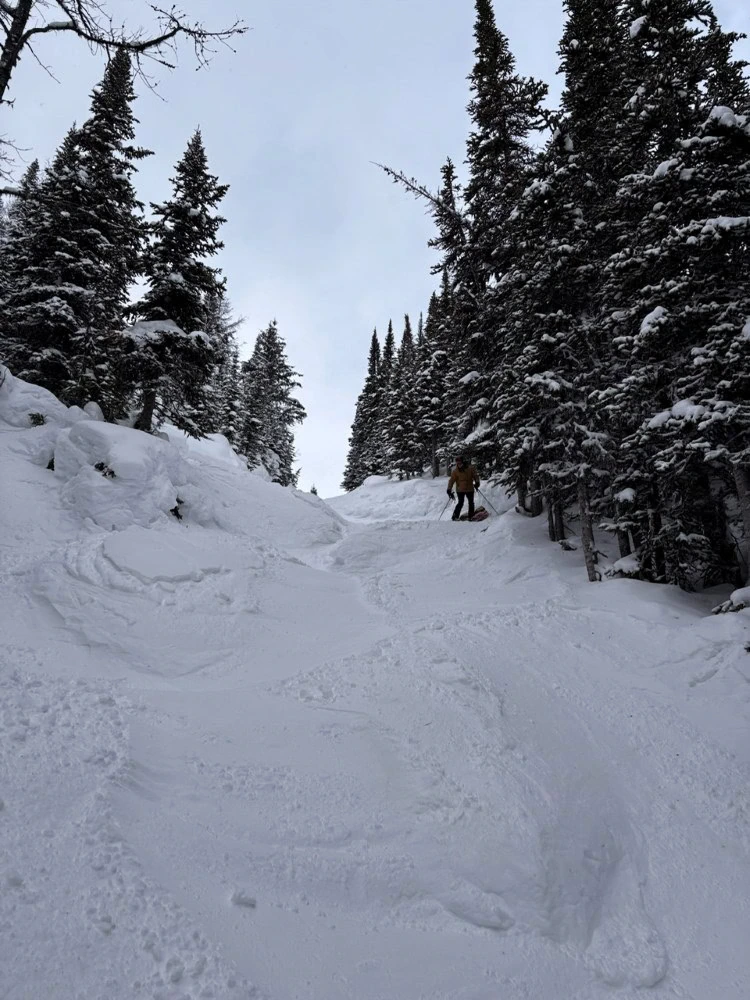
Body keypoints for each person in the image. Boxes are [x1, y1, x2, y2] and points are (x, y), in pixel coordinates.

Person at [447, 455, 480, 521]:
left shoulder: (470, 468)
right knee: (460, 502)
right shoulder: (455, 471)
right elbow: (451, 480)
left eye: (460, 462)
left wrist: (477, 483)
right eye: (457, 463)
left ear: (462, 462)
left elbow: (475, 476)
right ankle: (455, 516)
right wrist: (449, 489)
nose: (459, 464)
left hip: (469, 488)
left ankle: (471, 516)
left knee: (471, 502)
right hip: (460, 490)